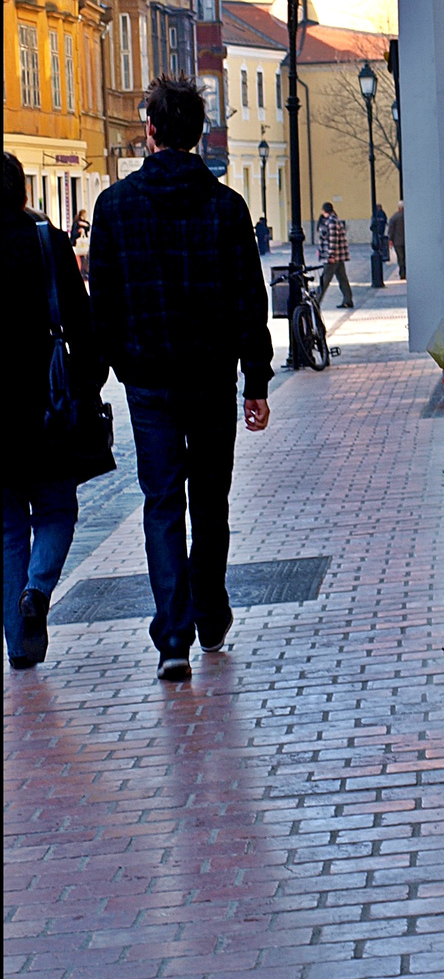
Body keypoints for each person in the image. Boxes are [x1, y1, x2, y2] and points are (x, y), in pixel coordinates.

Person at [88, 75, 273, 682]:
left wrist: (116, 364)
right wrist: (256, 381)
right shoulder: (226, 208)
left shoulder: (114, 208)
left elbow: (104, 306)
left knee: (162, 502)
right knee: (210, 500)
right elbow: (251, 300)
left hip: (148, 383)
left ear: (151, 132)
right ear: (197, 135)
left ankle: (173, 636)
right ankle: (211, 611)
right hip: (211, 381)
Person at [3, 152, 106, 669]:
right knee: (57, 510)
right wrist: (90, 379)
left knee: (5, 529)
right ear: (22, 191)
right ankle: (39, 591)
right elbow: (81, 322)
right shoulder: (47, 242)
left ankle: (21, 646)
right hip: (48, 406)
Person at [316, 200, 354, 308]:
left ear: (324, 210)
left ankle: (317, 301)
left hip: (333, 257)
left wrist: (331, 255)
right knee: (342, 278)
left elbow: (332, 240)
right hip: (338, 256)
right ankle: (348, 299)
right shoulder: (334, 220)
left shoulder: (331, 222)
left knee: (325, 279)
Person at [387, 199, 406, 280]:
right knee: (406, 257)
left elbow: (391, 229)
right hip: (406, 241)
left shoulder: (394, 217)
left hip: (397, 241)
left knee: (400, 258)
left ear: (399, 208)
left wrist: (390, 239)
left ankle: (402, 273)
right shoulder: (408, 216)